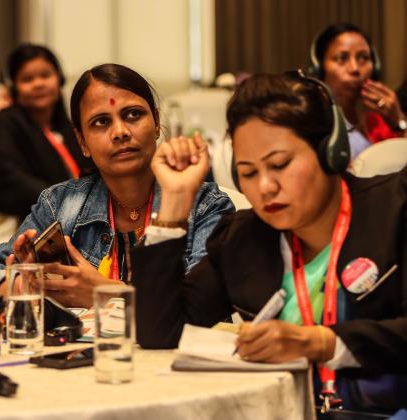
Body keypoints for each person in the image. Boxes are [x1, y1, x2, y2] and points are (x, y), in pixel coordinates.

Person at [133, 72, 407, 412]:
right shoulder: (241, 239)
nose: (264, 187)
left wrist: (320, 341)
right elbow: (159, 333)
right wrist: (174, 203)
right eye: (248, 172)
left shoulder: (395, 210)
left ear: (331, 151)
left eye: (280, 165)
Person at [0, 63, 234, 308]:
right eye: (101, 122)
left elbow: (201, 307)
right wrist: (32, 286)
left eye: (133, 114)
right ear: (82, 141)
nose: (121, 131)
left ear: (157, 122)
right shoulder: (60, 205)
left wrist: (106, 294)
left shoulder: (205, 206)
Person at [0, 44, 91, 222]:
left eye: (46, 75)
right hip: (25, 218)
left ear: (59, 78)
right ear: (13, 87)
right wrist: (68, 201)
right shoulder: (1, 126)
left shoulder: (66, 124)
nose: (38, 84)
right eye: (27, 79)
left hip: (76, 212)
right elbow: (12, 182)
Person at [309, 22, 407, 160]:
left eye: (363, 58)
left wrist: (398, 122)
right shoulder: (313, 123)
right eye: (342, 58)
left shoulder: (379, 120)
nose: (355, 68)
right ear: (319, 69)